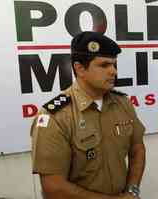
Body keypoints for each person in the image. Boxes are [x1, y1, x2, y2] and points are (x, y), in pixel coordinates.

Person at [31, 31, 146, 199]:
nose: (113, 71)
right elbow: (53, 187)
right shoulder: (55, 116)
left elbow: (137, 149)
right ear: (80, 68)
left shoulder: (123, 104)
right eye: (104, 65)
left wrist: (132, 190)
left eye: (114, 65)